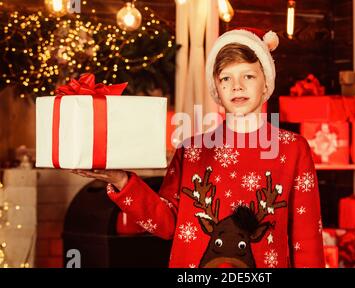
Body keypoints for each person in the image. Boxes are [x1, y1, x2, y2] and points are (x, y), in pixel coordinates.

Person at [73, 27, 325, 268]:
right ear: (216, 87)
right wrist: (121, 180)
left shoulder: (292, 150)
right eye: (226, 77)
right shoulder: (191, 150)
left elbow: (307, 241)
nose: (237, 86)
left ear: (266, 83)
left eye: (248, 76)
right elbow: (165, 224)